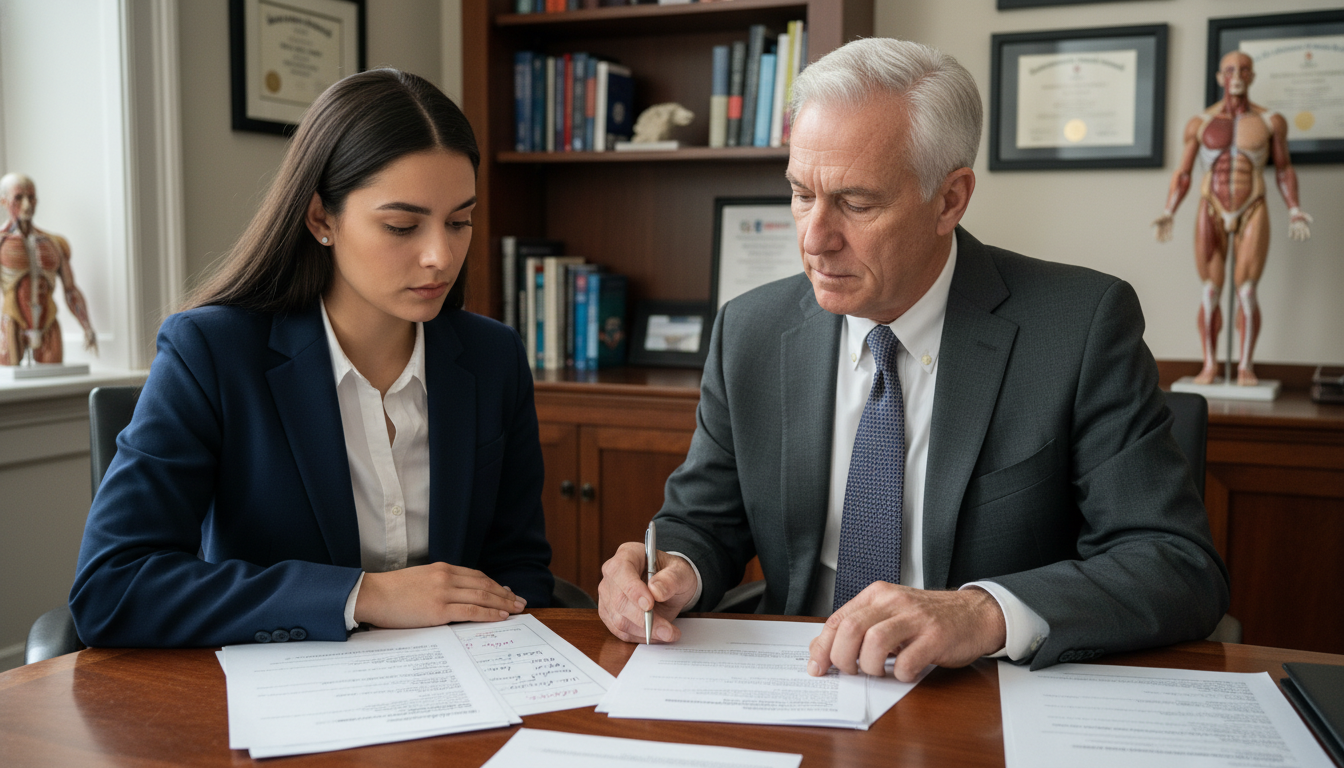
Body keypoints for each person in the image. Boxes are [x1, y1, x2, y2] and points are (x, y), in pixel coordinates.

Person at [597, 39, 1229, 681]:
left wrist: (982, 613)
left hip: (987, 695)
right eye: (800, 194)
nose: (814, 239)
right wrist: (671, 570)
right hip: (797, 684)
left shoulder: (1079, 326)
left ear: (950, 199)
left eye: (856, 203)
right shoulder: (751, 329)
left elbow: (1174, 562)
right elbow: (704, 519)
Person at [70, 69, 552, 648]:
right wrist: (364, 594)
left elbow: (519, 569)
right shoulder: (211, 353)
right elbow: (112, 588)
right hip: (278, 700)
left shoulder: (493, 357)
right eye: (402, 225)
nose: (439, 256)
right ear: (322, 218)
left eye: (460, 221)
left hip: (461, 693)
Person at [1152, 51, 1313, 386]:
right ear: (1219, 77)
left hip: (1252, 203)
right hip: (1211, 205)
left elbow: (1283, 169)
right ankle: (1210, 365)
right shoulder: (1200, 123)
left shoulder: (1271, 121)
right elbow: (1183, 172)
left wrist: (1295, 208)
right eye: (1229, 70)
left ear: (1252, 76)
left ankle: (1244, 367)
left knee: (1247, 292)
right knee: (1210, 291)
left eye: (1243, 70)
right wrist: (1169, 210)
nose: (1236, 75)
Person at [0, 172, 98, 365]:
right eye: (19, 198)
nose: (27, 205)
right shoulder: (2, 243)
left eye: (31, 197)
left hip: (48, 323)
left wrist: (87, 327)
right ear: (4, 202)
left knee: (53, 381)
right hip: (13, 322)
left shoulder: (54, 244)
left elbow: (71, 290)